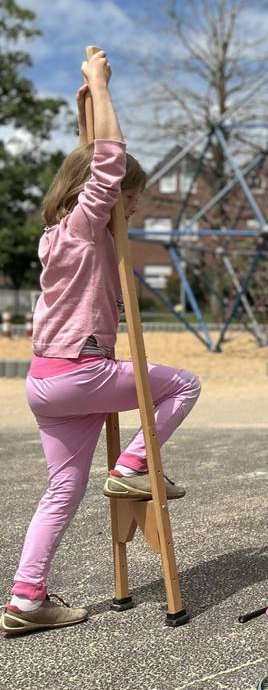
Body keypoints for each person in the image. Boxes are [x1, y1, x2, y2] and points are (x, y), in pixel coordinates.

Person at [1, 50, 201, 637]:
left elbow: (95, 161)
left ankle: (26, 596)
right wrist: (97, 84)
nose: (132, 206)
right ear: (96, 195)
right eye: (130, 198)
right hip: (80, 372)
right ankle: (136, 464)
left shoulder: (54, 235)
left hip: (45, 383)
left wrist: (85, 109)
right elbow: (107, 160)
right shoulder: (88, 229)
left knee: (62, 489)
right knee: (184, 384)